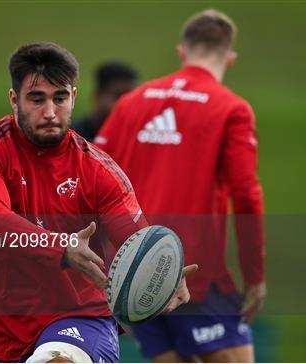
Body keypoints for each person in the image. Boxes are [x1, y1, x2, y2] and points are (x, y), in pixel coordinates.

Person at [0, 42, 197, 363]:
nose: (50, 112)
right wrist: (63, 248)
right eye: (37, 100)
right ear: (15, 100)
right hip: (4, 330)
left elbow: (135, 239)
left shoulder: (99, 169)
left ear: (74, 97)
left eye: (60, 98)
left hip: (82, 317)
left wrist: (164, 272)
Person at [95, 9, 266, 363]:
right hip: (196, 276)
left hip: (133, 271)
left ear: (182, 51)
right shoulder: (231, 109)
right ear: (229, 59)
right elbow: (246, 195)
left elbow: (91, 172)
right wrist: (255, 276)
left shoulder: (130, 103)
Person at [72, 61, 138, 141]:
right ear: (97, 97)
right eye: (118, 97)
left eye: (133, 99)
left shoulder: (138, 138)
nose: (126, 105)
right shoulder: (71, 138)